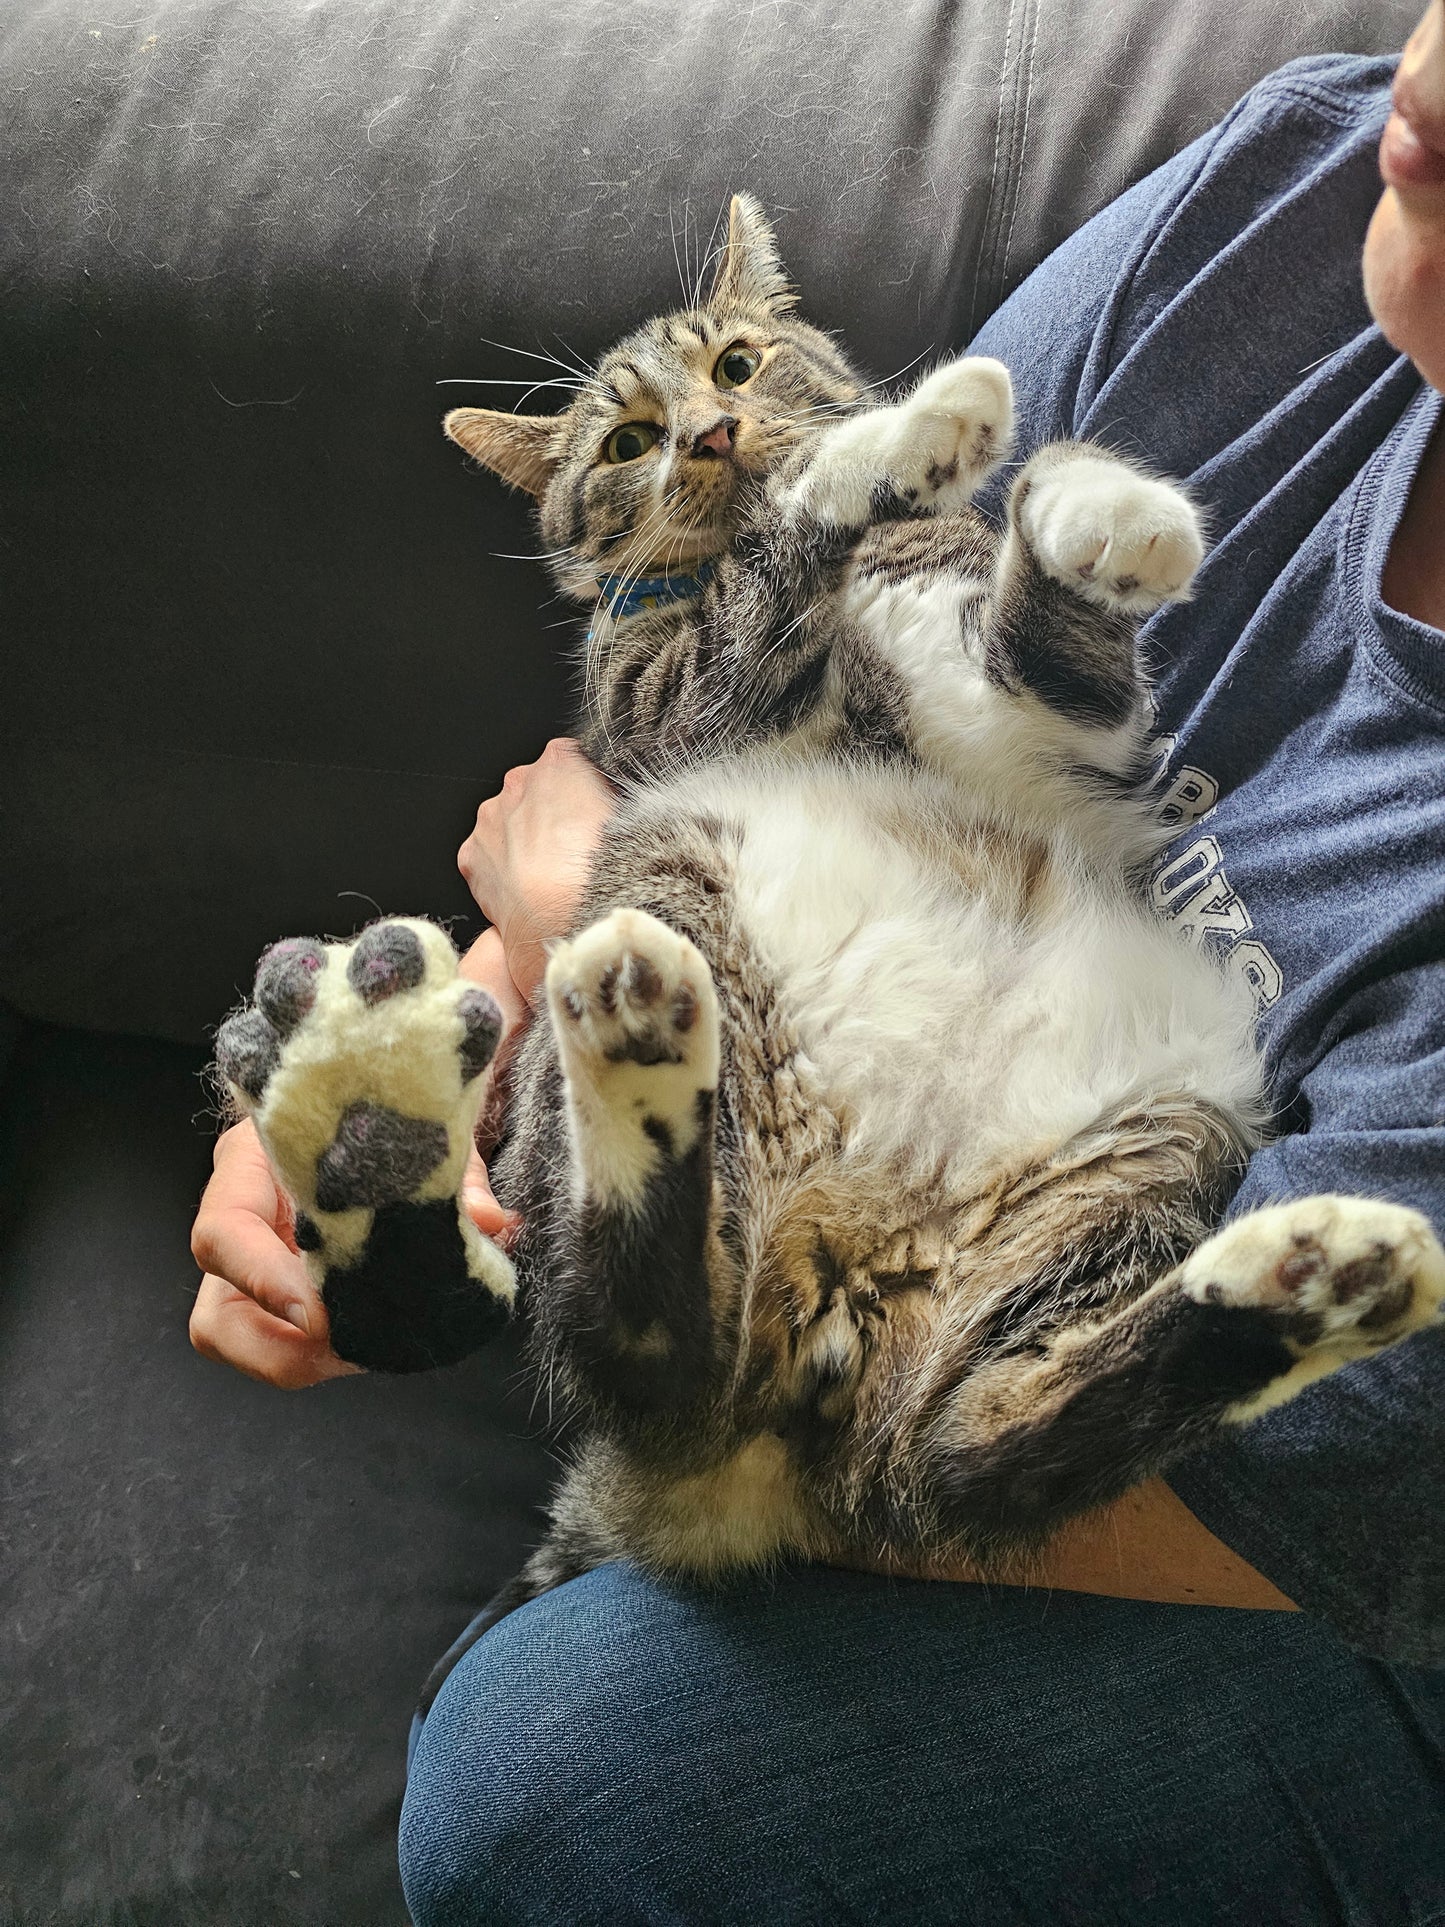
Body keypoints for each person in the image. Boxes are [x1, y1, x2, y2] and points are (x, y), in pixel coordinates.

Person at [190, 10, 1445, 1919]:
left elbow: (1331, 1475)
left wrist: (580, 930)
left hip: (1266, 1500)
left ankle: (654, 1331)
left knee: (552, 1782)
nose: (1423, 76)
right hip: (866, 1107)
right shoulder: (1314, 183)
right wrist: (456, 1028)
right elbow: (777, 669)